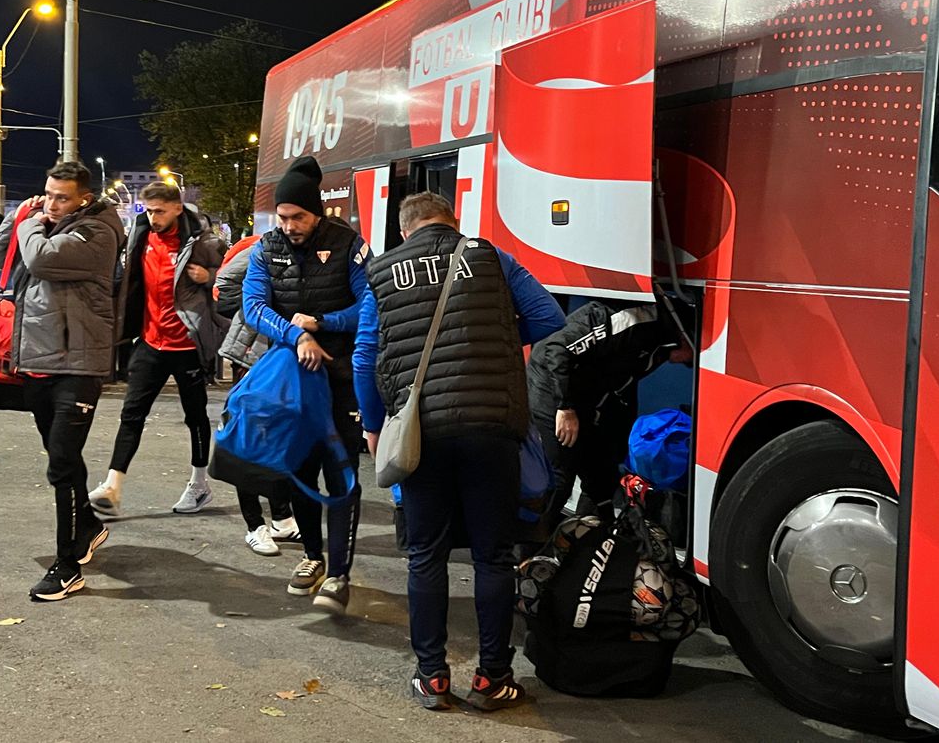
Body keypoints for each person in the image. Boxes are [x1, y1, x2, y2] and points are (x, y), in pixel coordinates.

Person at [353, 191, 565, 711]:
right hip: (492, 425)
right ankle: (493, 678)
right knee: (494, 556)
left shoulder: (380, 274)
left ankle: (433, 677)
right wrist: (493, 332)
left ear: (405, 232)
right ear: (453, 222)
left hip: (420, 432)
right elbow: (549, 318)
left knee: (425, 554)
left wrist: (376, 428)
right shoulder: (490, 257)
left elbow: (364, 357)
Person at [0, 160, 125, 602]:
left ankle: (67, 566)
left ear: (84, 197)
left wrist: (30, 222)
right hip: (38, 359)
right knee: (60, 455)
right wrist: (19, 216)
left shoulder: (98, 232)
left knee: (61, 463)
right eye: (47, 194)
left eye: (61, 197)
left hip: (79, 364)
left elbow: (41, 259)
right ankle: (86, 526)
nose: (51, 203)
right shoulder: (42, 222)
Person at [241, 155, 370, 612]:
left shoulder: (350, 246)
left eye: (298, 216)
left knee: (341, 476)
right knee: (298, 471)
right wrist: (297, 336)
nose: (290, 225)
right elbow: (253, 306)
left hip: (341, 381)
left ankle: (339, 574)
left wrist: (322, 322)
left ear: (317, 213)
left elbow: (369, 305)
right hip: (293, 381)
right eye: (283, 216)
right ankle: (314, 558)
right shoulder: (266, 247)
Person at [87, 183, 228, 517]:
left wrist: (207, 275)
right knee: (131, 414)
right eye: (148, 211)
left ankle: (199, 484)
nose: (153, 218)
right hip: (150, 342)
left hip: (187, 343)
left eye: (159, 211)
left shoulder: (204, 242)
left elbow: (230, 280)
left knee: (195, 416)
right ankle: (113, 484)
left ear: (178, 208)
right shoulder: (140, 236)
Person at [526, 297, 693, 529]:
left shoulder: (657, 349)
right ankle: (527, 553)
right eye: (688, 358)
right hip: (551, 388)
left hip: (583, 399)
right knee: (560, 476)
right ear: (684, 339)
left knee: (602, 475)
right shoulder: (632, 322)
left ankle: (594, 540)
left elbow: (618, 385)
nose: (683, 363)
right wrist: (565, 408)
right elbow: (557, 349)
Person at [215, 233, 300, 556]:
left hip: (282, 356)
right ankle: (255, 525)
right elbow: (225, 284)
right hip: (254, 352)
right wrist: (261, 306)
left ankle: (281, 517)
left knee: (278, 439)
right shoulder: (265, 247)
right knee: (247, 439)